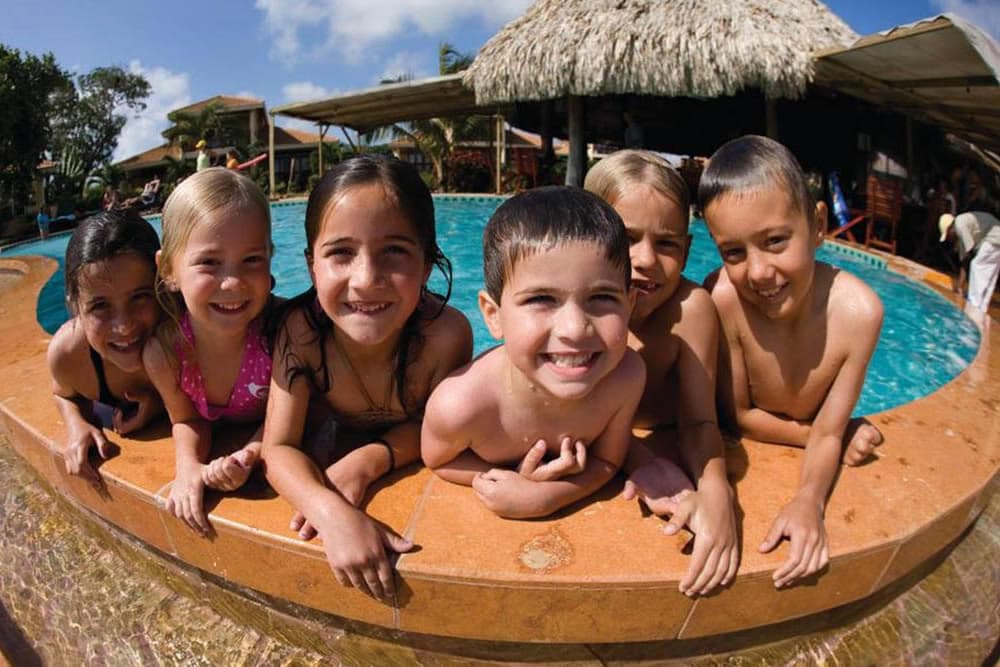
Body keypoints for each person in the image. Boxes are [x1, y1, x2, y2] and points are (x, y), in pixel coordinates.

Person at [262, 155, 471, 602]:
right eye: (340, 253)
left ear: (428, 263)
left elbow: (441, 430)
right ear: (311, 264)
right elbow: (277, 446)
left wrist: (368, 461)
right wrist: (329, 510)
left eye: (394, 251)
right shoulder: (301, 333)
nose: (366, 279)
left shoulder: (444, 335)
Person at [701, 135, 884, 589]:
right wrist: (834, 436)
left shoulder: (858, 314)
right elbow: (739, 417)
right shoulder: (723, 298)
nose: (759, 272)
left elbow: (826, 429)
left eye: (776, 241)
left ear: (818, 224)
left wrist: (809, 501)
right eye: (734, 253)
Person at [421, 186, 645, 522]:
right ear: (493, 316)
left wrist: (548, 496)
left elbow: (609, 461)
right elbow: (438, 459)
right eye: (541, 299)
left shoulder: (626, 377)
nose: (574, 328)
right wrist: (505, 479)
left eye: (601, 297)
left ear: (629, 305)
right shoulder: (461, 406)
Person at [584, 150, 739, 596]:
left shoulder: (690, 310)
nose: (646, 259)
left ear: (687, 251)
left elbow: (699, 421)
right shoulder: (575, 312)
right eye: (626, 238)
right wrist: (636, 456)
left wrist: (719, 493)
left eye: (666, 243)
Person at [143, 168, 277, 536]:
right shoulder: (166, 352)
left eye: (252, 259)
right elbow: (187, 419)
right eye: (209, 263)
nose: (232, 282)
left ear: (271, 257)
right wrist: (189, 468)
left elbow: (299, 410)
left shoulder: (280, 333)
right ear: (168, 269)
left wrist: (250, 452)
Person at [47, 210, 164, 486]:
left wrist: (164, 406)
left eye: (140, 297)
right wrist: (77, 424)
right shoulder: (70, 355)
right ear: (75, 306)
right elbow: (63, 394)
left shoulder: (191, 336)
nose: (123, 326)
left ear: (164, 286)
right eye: (100, 306)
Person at [939, 211, 1000, 313]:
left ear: (950, 228)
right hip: (996, 238)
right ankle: (982, 308)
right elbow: (964, 259)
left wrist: (960, 286)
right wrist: (960, 286)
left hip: (993, 237)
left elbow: (968, 256)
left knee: (977, 265)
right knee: (990, 274)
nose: (949, 239)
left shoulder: (959, 225)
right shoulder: (961, 224)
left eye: (948, 235)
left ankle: (974, 304)